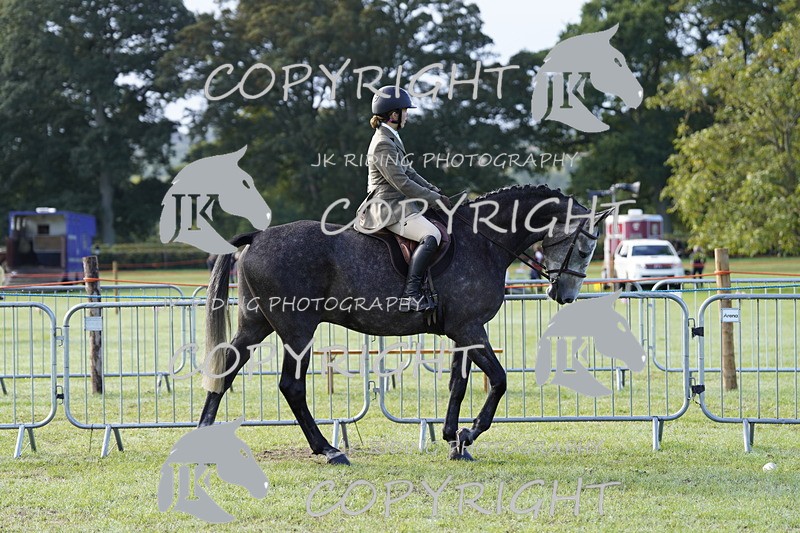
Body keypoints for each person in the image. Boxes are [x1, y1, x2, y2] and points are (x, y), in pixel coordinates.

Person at [355, 86, 451, 312]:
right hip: (388, 206)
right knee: (432, 234)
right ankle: (411, 294)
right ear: (394, 114)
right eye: (405, 111)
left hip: (400, 203)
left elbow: (409, 172)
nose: (407, 115)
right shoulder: (382, 143)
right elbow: (402, 183)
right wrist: (433, 199)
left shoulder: (391, 137)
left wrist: (435, 191)